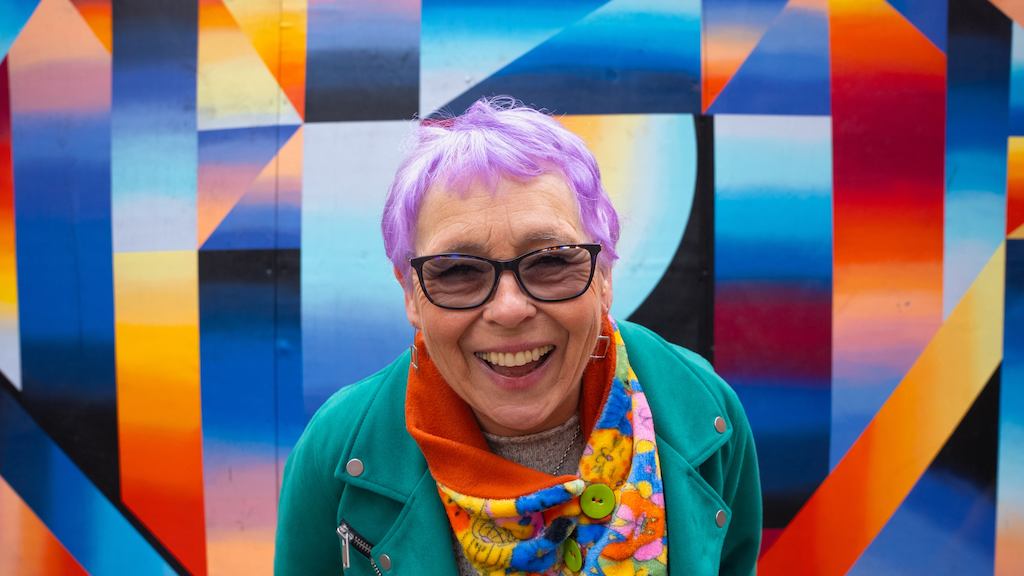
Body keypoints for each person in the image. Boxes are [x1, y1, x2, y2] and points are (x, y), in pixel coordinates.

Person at [274, 97, 761, 576]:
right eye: (458, 270)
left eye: (551, 260)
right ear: (411, 294)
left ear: (605, 277)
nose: (508, 309)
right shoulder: (338, 449)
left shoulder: (705, 411)